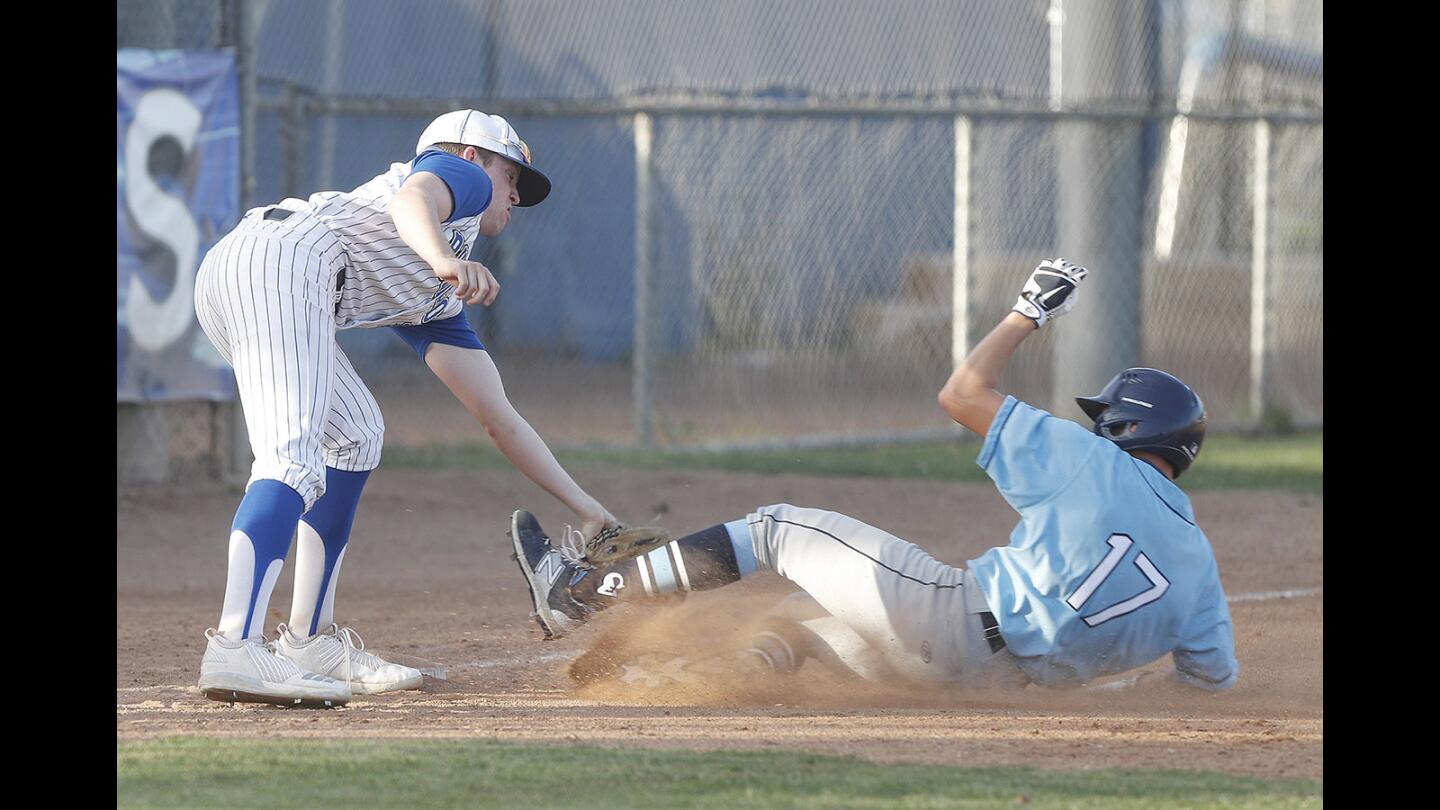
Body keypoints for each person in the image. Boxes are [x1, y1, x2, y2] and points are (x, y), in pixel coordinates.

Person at [510, 258, 1238, 692]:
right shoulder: (1202, 571)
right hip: (979, 685)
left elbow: (961, 395)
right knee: (795, 622)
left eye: (1104, 418)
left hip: (946, 619)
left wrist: (1027, 312)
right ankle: (676, 682)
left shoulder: (1095, 464)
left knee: (777, 529)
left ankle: (580, 594)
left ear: (1125, 429)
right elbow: (1209, 685)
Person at [195, 110, 624, 707]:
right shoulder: (460, 182)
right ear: (473, 160)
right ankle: (235, 647)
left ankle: (309, 640)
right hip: (282, 261)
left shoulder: (433, 291)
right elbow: (413, 199)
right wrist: (445, 259)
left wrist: (586, 507)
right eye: (512, 174)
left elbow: (498, 417)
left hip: (254, 270)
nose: (516, 192)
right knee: (292, 457)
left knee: (358, 435)